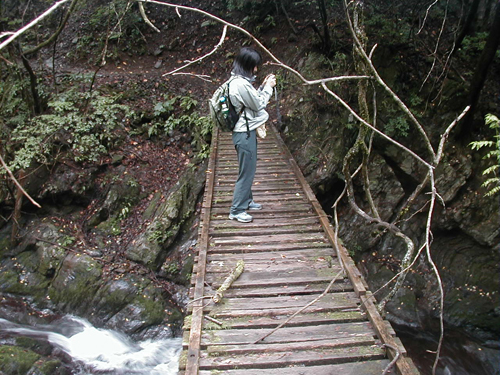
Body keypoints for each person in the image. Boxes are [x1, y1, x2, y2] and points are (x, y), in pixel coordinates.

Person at [227, 47, 276, 223]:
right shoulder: (241, 84)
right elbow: (258, 104)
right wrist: (268, 89)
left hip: (245, 132)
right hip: (244, 134)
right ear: (248, 65)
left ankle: (246, 201)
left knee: (248, 168)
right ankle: (237, 210)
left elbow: (252, 99)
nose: (256, 69)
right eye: (254, 66)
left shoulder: (238, 80)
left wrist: (262, 85)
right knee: (246, 172)